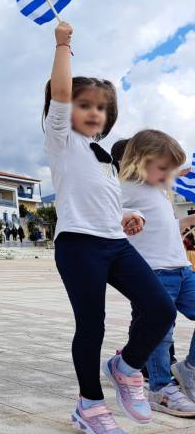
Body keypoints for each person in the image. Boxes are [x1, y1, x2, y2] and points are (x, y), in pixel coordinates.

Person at [44, 21, 175, 432]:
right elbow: (61, 93)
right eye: (85, 104)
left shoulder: (103, 159)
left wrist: (124, 217)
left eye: (100, 107)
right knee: (92, 325)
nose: (93, 112)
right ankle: (90, 406)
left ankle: (126, 366)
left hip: (114, 243)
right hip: (79, 246)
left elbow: (95, 201)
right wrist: (63, 45)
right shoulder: (60, 139)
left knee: (160, 308)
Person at [119, 130, 195, 417]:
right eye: (163, 168)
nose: (168, 175)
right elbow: (106, 215)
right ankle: (160, 388)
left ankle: (189, 370)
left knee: (161, 330)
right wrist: (125, 219)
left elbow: (168, 227)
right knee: (160, 332)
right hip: (152, 272)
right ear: (139, 160)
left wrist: (189, 219)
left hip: (182, 270)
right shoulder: (124, 188)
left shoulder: (158, 192)